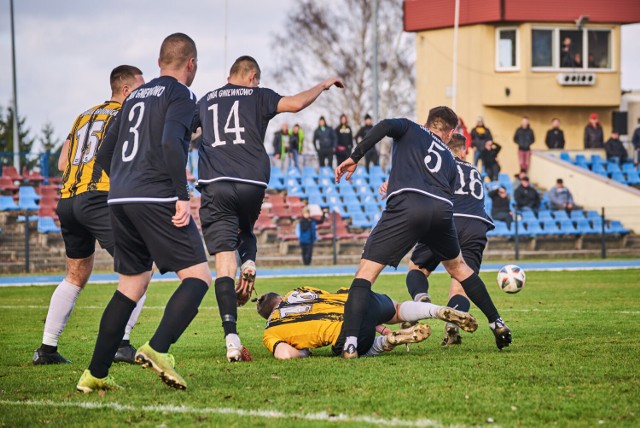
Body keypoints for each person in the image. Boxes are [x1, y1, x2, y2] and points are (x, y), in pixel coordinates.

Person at [78, 33, 210, 393]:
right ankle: (158, 348)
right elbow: (170, 142)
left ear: (159, 62)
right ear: (191, 63)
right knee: (198, 277)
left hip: (120, 199)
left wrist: (126, 181)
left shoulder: (135, 95)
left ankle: (94, 375)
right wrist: (180, 196)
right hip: (156, 196)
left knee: (131, 286)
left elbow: (104, 153)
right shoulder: (180, 94)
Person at [193, 55, 343, 362]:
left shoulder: (206, 101)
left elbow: (185, 133)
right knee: (245, 230)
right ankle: (249, 259)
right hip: (252, 182)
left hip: (217, 183)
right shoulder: (258, 95)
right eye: (257, 80)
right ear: (251, 77)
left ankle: (232, 339)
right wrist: (323, 85)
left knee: (223, 263)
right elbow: (297, 103)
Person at [334, 106, 511, 359]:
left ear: (429, 123)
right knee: (459, 268)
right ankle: (496, 322)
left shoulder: (410, 127)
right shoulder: (450, 159)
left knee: (366, 272)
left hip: (408, 206)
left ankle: (350, 343)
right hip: (442, 213)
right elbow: (445, 191)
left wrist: (356, 156)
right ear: (449, 133)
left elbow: (384, 126)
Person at [32, 66, 146, 366]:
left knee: (75, 275)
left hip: (68, 199)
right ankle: (122, 343)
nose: (143, 94)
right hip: (100, 198)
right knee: (138, 266)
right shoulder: (127, 115)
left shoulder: (83, 116)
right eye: (140, 88)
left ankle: (46, 349)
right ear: (125, 90)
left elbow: (61, 163)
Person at [382, 134, 504, 347]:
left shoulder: (441, 165)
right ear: (464, 152)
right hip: (476, 224)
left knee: (417, 268)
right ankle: (453, 325)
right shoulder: (475, 171)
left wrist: (391, 184)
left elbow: (417, 182)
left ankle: (421, 299)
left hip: (448, 221)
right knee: (461, 282)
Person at [256, 286, 478, 359]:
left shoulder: (271, 330)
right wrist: (379, 322)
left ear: (268, 316)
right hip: (358, 300)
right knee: (398, 309)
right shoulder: (298, 291)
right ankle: (436, 310)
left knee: (343, 349)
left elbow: (285, 354)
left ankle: (386, 341)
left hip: (347, 333)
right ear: (280, 299)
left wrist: (303, 351)